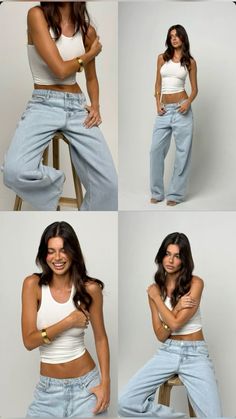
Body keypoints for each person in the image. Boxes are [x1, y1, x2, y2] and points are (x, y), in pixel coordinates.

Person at [3, 2, 118, 211]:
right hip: (43, 104)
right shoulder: (37, 16)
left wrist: (96, 106)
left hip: (76, 107)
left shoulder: (86, 30)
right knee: (14, 171)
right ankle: (56, 183)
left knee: (109, 185)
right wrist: (90, 54)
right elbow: (60, 70)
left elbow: (91, 78)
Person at [119, 232, 222, 418]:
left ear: (184, 260)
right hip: (167, 351)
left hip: (195, 354)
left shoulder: (195, 283)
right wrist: (173, 306)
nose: (171, 260)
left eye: (177, 256)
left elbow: (175, 324)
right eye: (167, 254)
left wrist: (158, 299)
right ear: (161, 256)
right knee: (125, 403)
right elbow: (160, 335)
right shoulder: (154, 289)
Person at [22, 221, 110, 417]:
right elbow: (29, 341)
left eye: (63, 250)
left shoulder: (90, 289)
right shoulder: (32, 285)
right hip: (47, 393)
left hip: (86, 388)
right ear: (44, 254)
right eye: (51, 251)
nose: (57, 257)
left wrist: (105, 384)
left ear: (73, 252)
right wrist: (68, 322)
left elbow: (101, 338)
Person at [150, 25, 198, 206]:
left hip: (182, 109)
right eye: (171, 36)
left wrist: (188, 102)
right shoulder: (162, 58)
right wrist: (158, 104)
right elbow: (157, 84)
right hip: (164, 110)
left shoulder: (190, 62)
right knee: (155, 151)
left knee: (182, 154)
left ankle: (175, 195)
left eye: (177, 36)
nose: (174, 39)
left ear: (183, 38)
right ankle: (157, 192)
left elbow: (195, 89)